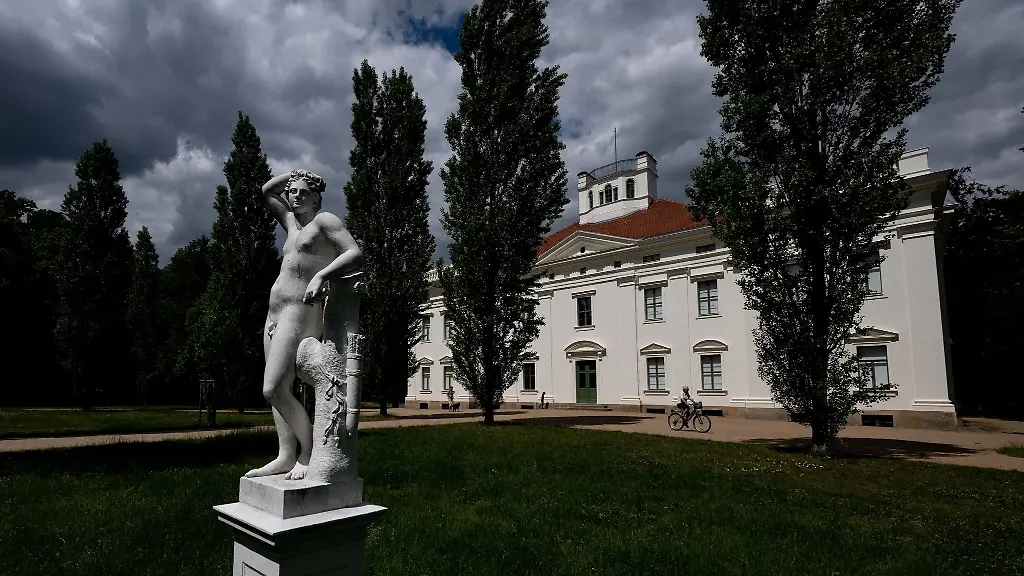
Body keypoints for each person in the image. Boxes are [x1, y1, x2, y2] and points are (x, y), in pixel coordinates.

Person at [245, 170, 363, 481]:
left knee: (272, 389)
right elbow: (267, 192)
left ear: (316, 196)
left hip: (299, 313)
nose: (296, 196)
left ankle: (308, 451)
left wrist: (322, 275)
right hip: (274, 315)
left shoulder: (324, 221)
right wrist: (294, 173)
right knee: (279, 390)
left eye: (303, 192)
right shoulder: (291, 226)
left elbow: (354, 253)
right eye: (293, 191)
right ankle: (285, 455)